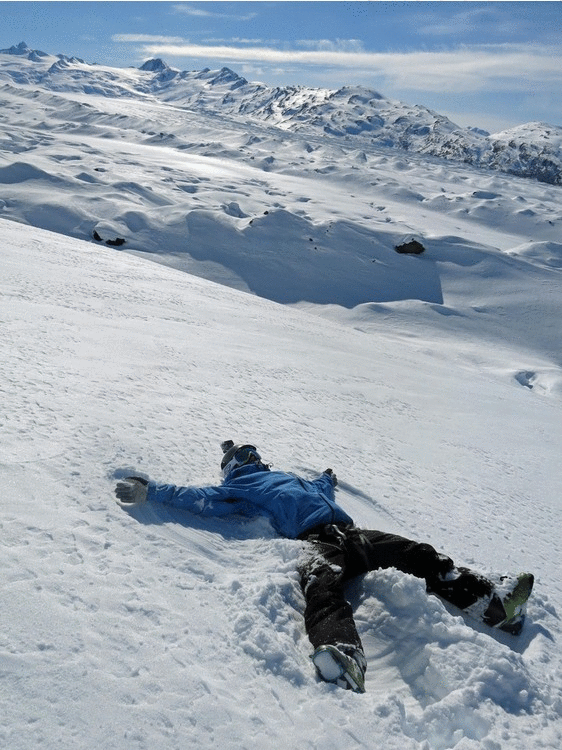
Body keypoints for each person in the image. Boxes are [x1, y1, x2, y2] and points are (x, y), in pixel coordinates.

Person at [115, 441, 534, 694]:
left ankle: (492, 603)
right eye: (243, 455)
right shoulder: (238, 487)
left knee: (418, 553)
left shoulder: (289, 477)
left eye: (252, 451)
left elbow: (319, 487)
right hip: (316, 542)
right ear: (234, 467)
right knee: (322, 588)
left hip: (353, 535)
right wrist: (152, 491)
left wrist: (326, 478)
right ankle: (343, 652)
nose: (252, 457)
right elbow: (197, 498)